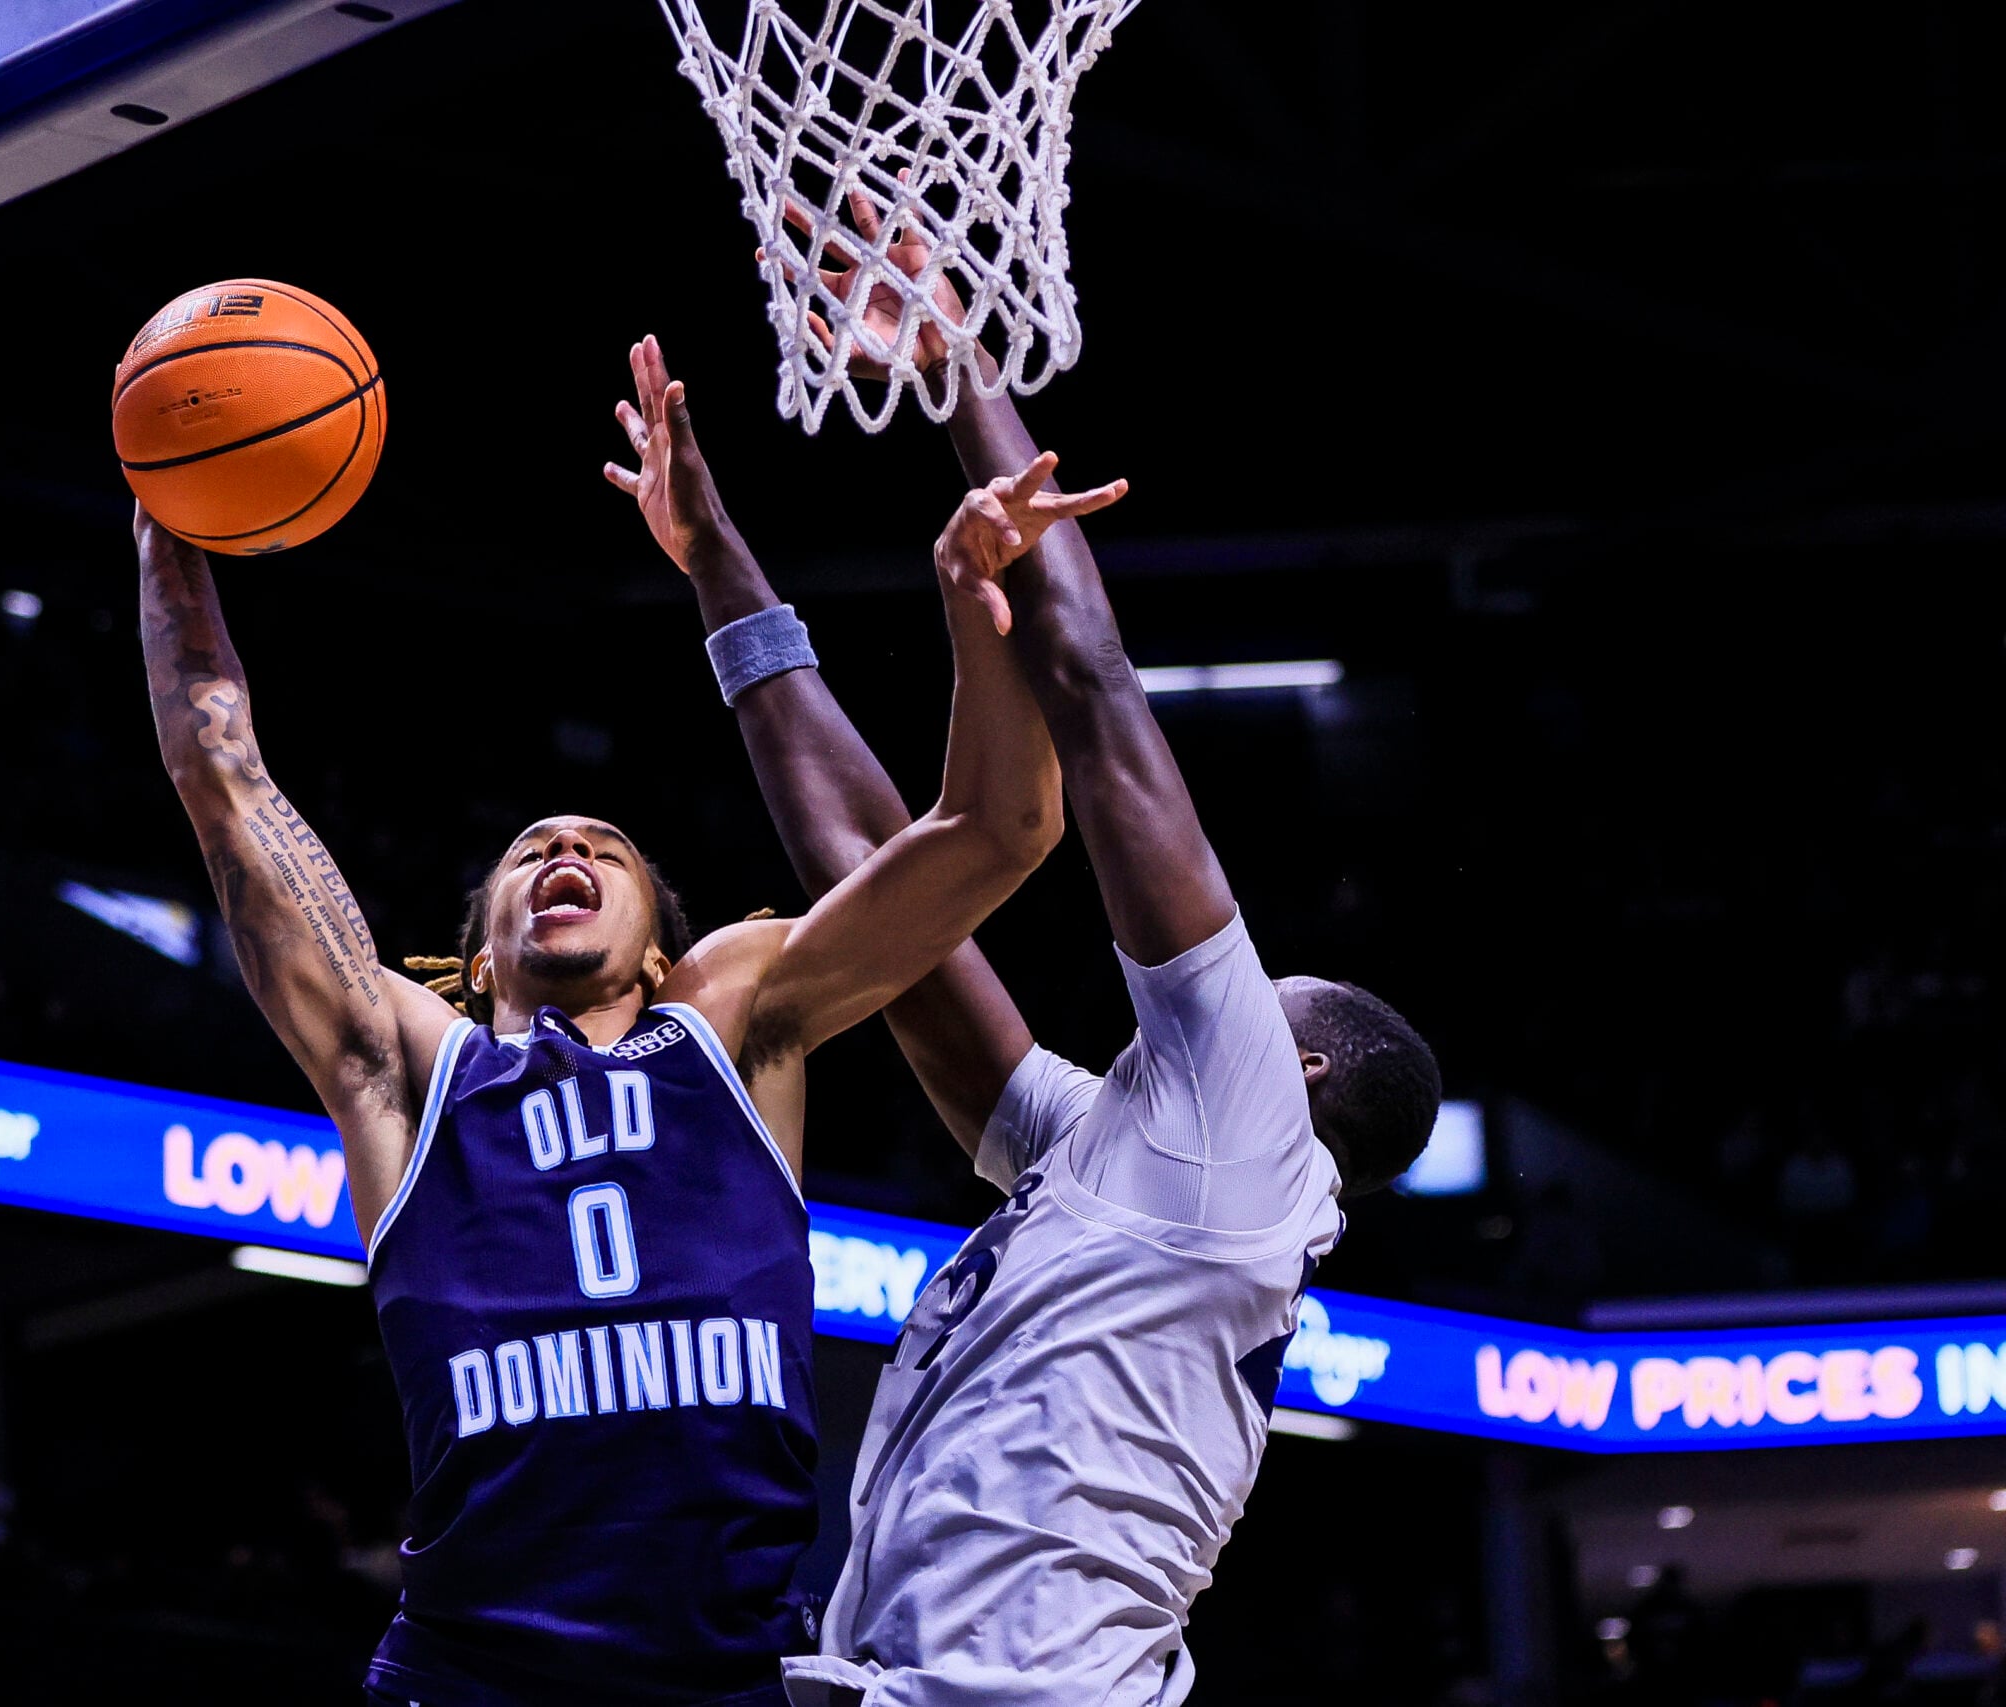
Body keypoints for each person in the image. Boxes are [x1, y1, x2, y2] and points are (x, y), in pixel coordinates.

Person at [134, 359, 1120, 1707]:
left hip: (721, 1676)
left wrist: (980, 619)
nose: (566, 846)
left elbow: (1002, 829)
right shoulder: (414, 1067)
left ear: (660, 946)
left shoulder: (737, 1024)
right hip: (473, 1674)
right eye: (535, 847)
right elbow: (221, 773)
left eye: (600, 843)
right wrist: (170, 530)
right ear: (480, 957)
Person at [614, 214, 1442, 1705]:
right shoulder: (1122, 1164)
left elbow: (1102, 700)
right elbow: (891, 908)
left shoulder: (1242, 1134)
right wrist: (715, 567)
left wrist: (956, 363)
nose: (1243, 992)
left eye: (1273, 998)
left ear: (1297, 1062)